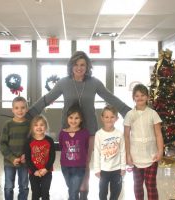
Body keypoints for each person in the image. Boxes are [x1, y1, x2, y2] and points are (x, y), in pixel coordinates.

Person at [26, 51, 131, 199]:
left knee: (84, 163)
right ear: (71, 66)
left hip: (89, 130)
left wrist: (127, 111)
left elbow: (110, 98)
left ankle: (82, 195)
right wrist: (30, 113)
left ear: (87, 66)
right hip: (68, 130)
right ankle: (73, 190)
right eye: (76, 64)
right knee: (69, 161)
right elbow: (46, 99)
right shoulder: (63, 83)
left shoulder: (94, 83)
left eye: (82, 64)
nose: (79, 67)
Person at [123, 84, 164, 200]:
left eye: (142, 95)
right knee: (137, 185)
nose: (140, 98)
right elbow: (126, 136)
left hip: (152, 155)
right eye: (137, 96)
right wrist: (128, 155)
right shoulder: (129, 115)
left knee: (151, 185)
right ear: (133, 97)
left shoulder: (153, 114)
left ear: (147, 97)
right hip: (136, 157)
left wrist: (160, 151)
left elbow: (158, 134)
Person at [0, 96, 30, 200]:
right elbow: (2, 144)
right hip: (9, 162)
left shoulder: (29, 125)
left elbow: (32, 143)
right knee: (8, 187)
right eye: (16, 108)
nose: (20, 110)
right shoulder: (8, 125)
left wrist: (27, 155)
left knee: (24, 187)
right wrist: (12, 158)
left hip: (24, 162)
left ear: (27, 109)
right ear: (12, 110)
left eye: (22, 107)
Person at [94, 105, 126, 200]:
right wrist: (97, 169)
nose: (109, 119)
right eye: (106, 117)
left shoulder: (119, 134)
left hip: (117, 170)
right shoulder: (99, 134)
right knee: (102, 193)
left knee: (116, 192)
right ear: (102, 118)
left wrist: (123, 167)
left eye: (112, 117)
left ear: (116, 118)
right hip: (103, 170)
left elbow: (122, 151)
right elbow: (96, 152)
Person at [59, 103, 89, 200]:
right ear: (67, 118)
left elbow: (85, 147)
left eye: (76, 118)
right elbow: (61, 146)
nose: (73, 120)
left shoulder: (85, 133)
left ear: (81, 119)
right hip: (65, 166)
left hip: (79, 166)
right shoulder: (62, 133)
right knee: (71, 188)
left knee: (74, 191)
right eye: (71, 117)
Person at [25, 115, 56, 200]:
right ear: (32, 127)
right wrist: (35, 171)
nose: (39, 127)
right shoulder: (29, 141)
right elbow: (27, 159)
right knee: (35, 193)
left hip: (47, 172)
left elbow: (52, 157)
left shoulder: (49, 140)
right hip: (33, 173)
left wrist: (46, 169)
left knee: (45, 193)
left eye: (41, 125)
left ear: (45, 127)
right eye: (36, 125)